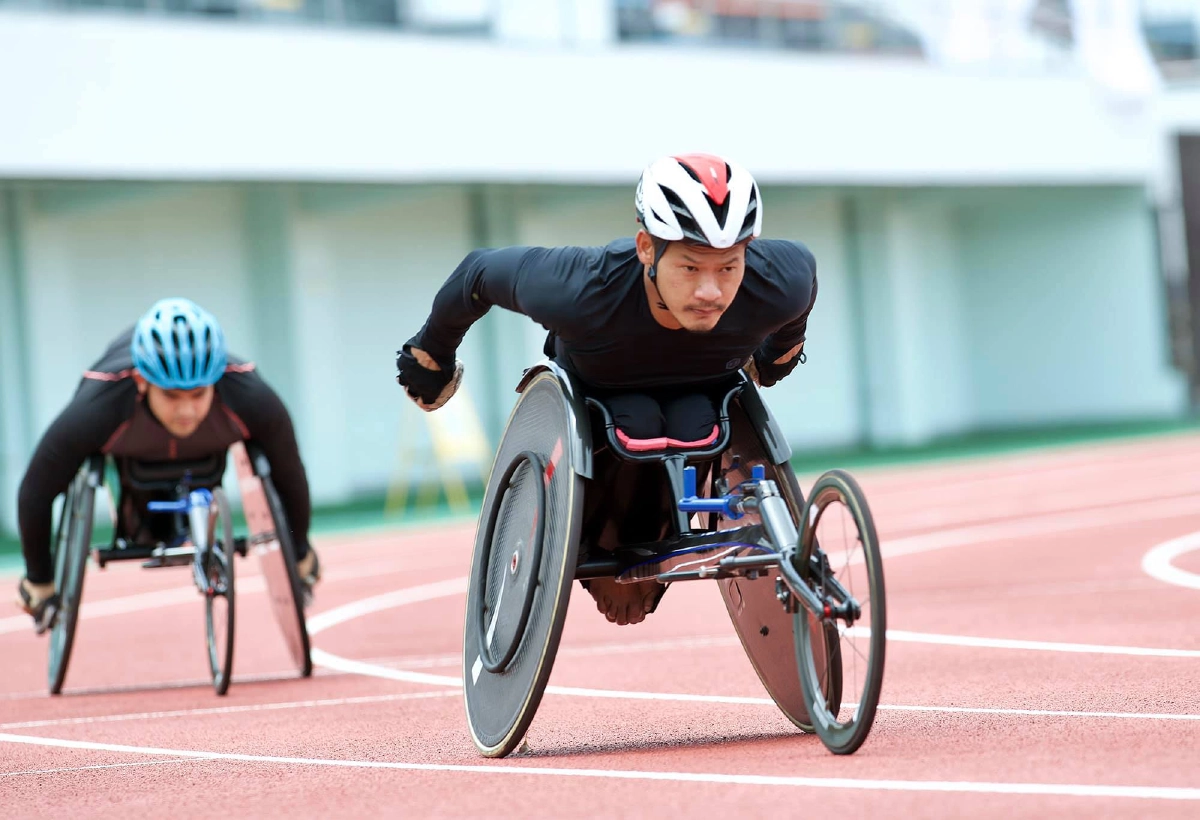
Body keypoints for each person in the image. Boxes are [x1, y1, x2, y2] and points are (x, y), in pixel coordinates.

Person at [396, 153, 817, 625]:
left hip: (702, 397)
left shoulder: (781, 281)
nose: (710, 292)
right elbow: (478, 274)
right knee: (638, 418)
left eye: (728, 268)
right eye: (690, 268)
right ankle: (600, 540)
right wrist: (429, 357)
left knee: (690, 420)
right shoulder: (581, 288)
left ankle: (648, 537)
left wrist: (778, 357)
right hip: (601, 404)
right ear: (645, 248)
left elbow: (799, 300)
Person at [15, 297, 320, 632]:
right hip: (135, 462)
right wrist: (40, 580)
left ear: (216, 381)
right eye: (172, 396)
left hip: (209, 459)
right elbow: (37, 491)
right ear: (142, 382)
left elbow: (289, 475)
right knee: (142, 525)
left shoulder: (251, 396)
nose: (186, 411)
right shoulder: (100, 405)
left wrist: (301, 552)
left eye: (198, 394)